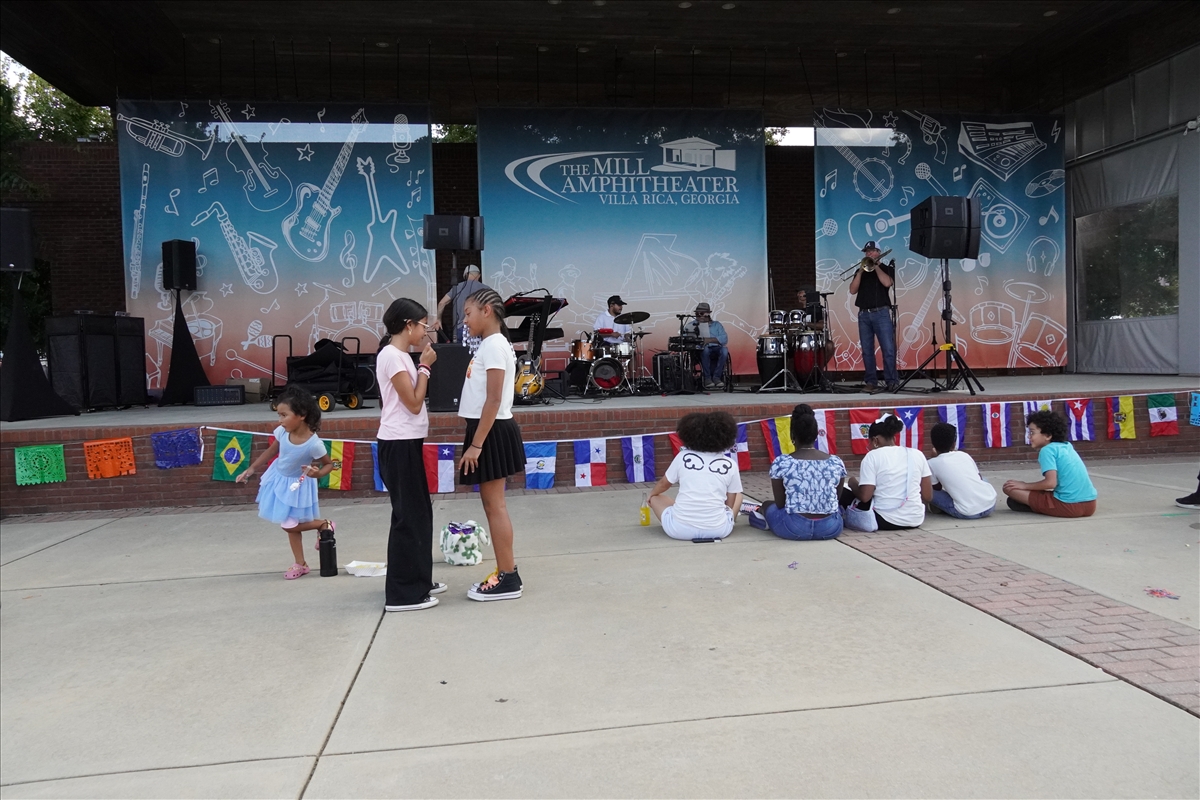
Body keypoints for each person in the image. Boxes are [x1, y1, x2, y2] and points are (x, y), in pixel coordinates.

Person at [375, 298, 445, 612]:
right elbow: (414, 403)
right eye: (422, 326)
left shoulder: (400, 355)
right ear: (408, 325)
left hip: (408, 441)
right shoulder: (392, 356)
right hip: (398, 443)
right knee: (408, 518)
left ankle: (419, 579)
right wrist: (425, 367)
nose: (425, 332)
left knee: (419, 514)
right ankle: (403, 594)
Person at [458, 287, 526, 601]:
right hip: (487, 429)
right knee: (491, 504)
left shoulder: (495, 345)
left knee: (495, 505)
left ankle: (508, 576)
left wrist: (476, 445)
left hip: (491, 431)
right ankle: (506, 571)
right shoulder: (490, 344)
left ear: (486, 311)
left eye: (468, 313)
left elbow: (494, 399)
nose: (465, 321)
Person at [237, 386, 335, 580]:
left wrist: (317, 474)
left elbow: (329, 464)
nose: (280, 420)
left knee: (289, 525)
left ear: (302, 415)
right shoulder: (282, 432)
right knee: (290, 522)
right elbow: (272, 450)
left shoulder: (314, 443)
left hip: (298, 486)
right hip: (279, 479)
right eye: (278, 415)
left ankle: (324, 524)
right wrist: (252, 468)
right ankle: (300, 563)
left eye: (284, 415)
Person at [750, 405, 846, 540]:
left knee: (767, 506)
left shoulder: (782, 462)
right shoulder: (836, 462)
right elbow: (836, 498)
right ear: (816, 435)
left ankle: (760, 516)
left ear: (792, 435)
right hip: (831, 528)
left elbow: (780, 504)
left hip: (794, 527)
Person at [647, 411, 744, 541]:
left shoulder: (683, 457)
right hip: (718, 530)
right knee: (739, 495)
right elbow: (730, 503)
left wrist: (651, 495)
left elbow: (664, 484)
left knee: (656, 498)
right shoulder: (730, 464)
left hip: (678, 530)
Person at [841, 414, 932, 532]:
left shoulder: (872, 456)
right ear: (894, 438)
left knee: (842, 490)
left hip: (883, 519)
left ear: (875, 440)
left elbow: (865, 497)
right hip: (915, 519)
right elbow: (927, 496)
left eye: (869, 442)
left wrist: (852, 483)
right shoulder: (917, 454)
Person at [1003, 410, 1098, 518]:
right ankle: (1036, 504)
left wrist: (1025, 485)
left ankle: (1036, 506)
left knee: (1009, 488)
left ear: (1047, 435)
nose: (1029, 436)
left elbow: (1050, 483)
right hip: (1090, 505)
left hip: (1068, 506)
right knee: (1016, 498)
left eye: (1032, 432)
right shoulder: (1067, 446)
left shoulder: (1047, 450)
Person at [848, 240, 898, 393]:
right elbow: (852, 290)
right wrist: (860, 272)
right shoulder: (861, 271)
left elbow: (887, 283)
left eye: (871, 251)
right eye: (866, 252)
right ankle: (871, 381)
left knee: (888, 349)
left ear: (878, 252)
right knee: (867, 350)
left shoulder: (886, 268)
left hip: (881, 313)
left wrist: (875, 266)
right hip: (864, 314)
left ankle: (891, 381)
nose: (868, 253)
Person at [927, 422, 997, 519]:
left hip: (966, 512)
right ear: (954, 444)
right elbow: (979, 477)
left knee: (925, 489)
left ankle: (939, 506)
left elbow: (936, 488)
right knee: (983, 479)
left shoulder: (931, 463)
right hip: (990, 505)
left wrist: (934, 458)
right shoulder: (964, 455)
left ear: (933, 443)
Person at [433, 264, 489, 350]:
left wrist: (438, 319)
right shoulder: (486, 289)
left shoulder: (457, 287)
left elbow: (442, 303)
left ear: (465, 275)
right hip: (480, 329)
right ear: (479, 275)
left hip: (461, 329)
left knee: (461, 355)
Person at [688, 302, 729, 390]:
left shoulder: (717, 325)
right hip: (700, 349)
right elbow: (685, 337)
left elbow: (724, 339)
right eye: (697, 314)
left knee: (725, 350)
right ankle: (707, 378)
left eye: (701, 313)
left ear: (707, 314)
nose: (699, 315)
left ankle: (717, 377)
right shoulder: (691, 325)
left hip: (716, 347)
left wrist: (709, 340)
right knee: (705, 349)